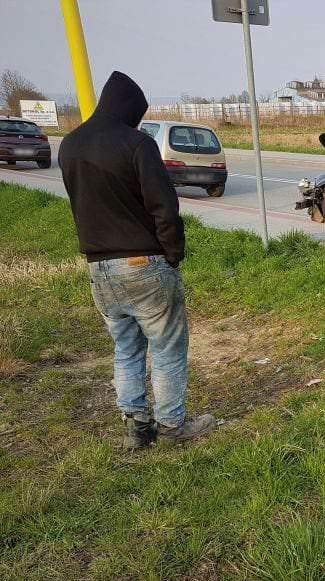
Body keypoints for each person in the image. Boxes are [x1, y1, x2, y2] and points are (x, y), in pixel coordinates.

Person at [58, 71, 214, 450]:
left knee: (126, 349)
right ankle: (173, 426)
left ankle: (137, 430)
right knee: (166, 348)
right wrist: (173, 254)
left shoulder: (69, 145)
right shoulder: (136, 144)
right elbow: (164, 207)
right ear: (130, 109)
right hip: (144, 264)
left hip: (99, 270)